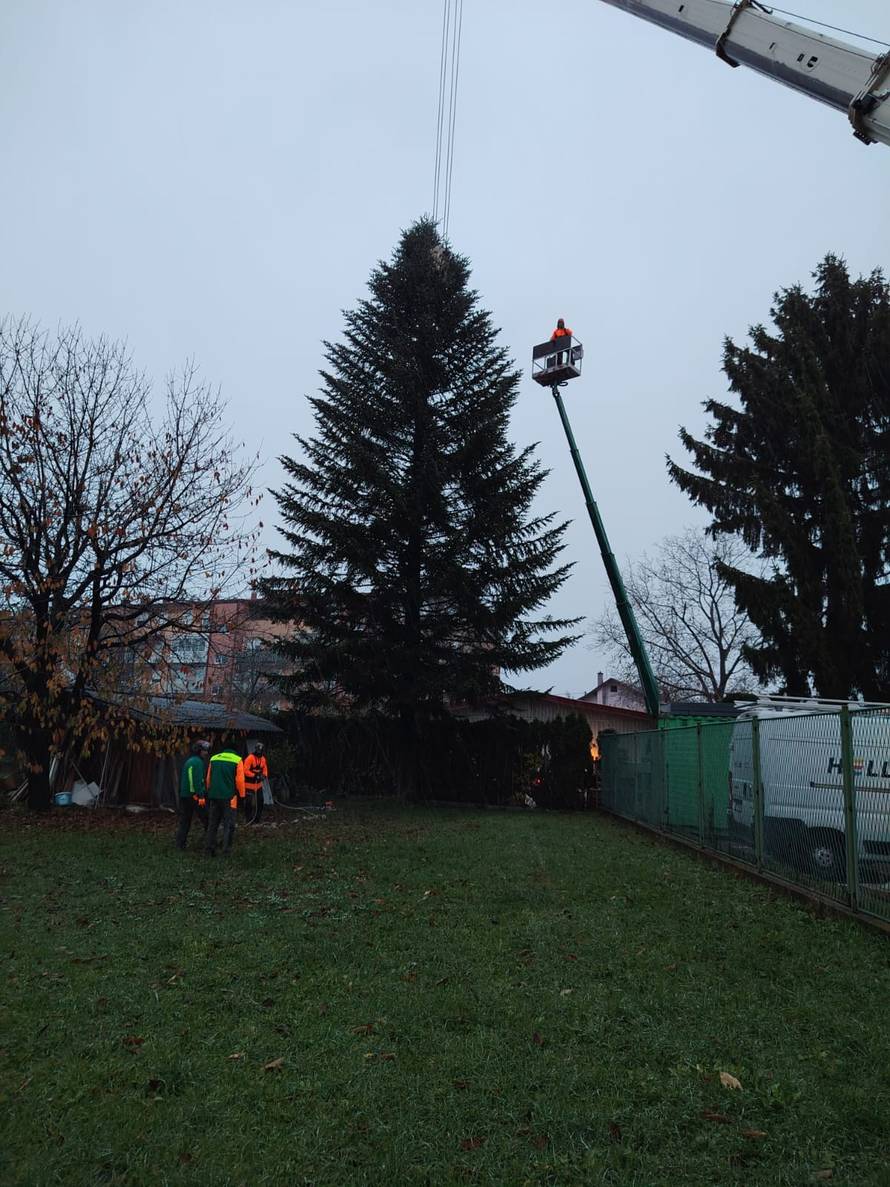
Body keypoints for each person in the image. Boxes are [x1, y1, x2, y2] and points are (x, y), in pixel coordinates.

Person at [204, 745, 246, 857]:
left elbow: (208, 778)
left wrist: (209, 791)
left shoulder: (214, 758)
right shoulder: (237, 760)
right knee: (229, 824)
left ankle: (209, 849)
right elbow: (240, 781)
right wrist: (242, 796)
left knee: (212, 824)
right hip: (229, 798)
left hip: (214, 796)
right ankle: (226, 851)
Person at [175, 739, 210, 850]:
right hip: (195, 796)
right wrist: (201, 795)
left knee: (185, 821)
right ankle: (210, 844)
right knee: (207, 820)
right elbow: (198, 781)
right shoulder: (198, 763)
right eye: (204, 751)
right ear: (199, 751)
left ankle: (180, 844)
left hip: (185, 795)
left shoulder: (189, 761)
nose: (206, 753)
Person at [243, 741, 269, 824]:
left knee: (260, 801)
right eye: (258, 751)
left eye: (260, 751)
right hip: (249, 785)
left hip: (258, 785)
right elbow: (245, 770)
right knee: (249, 803)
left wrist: (264, 776)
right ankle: (248, 819)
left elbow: (265, 769)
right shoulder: (250, 758)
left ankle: (257, 818)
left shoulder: (263, 759)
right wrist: (255, 775)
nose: (259, 752)